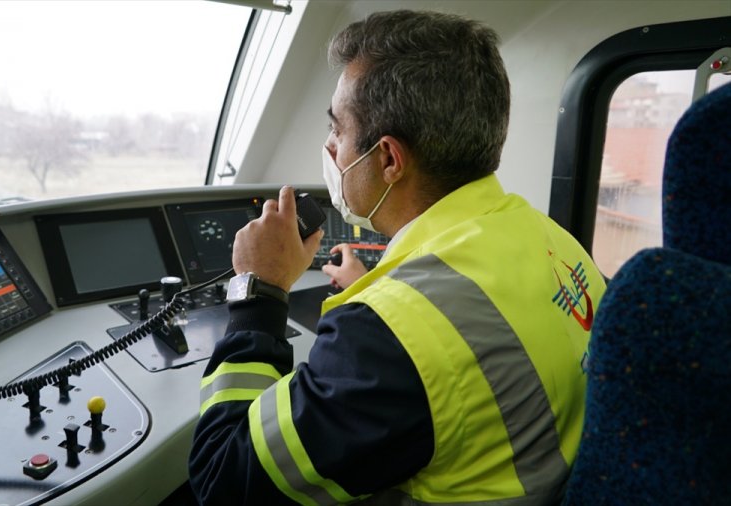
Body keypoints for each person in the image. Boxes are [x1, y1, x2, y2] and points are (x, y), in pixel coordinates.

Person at [189, 10, 606, 505]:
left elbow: (222, 480)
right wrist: (382, 290)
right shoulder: (547, 235)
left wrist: (259, 291)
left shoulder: (386, 341)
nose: (330, 147)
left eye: (336, 130)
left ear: (388, 159)